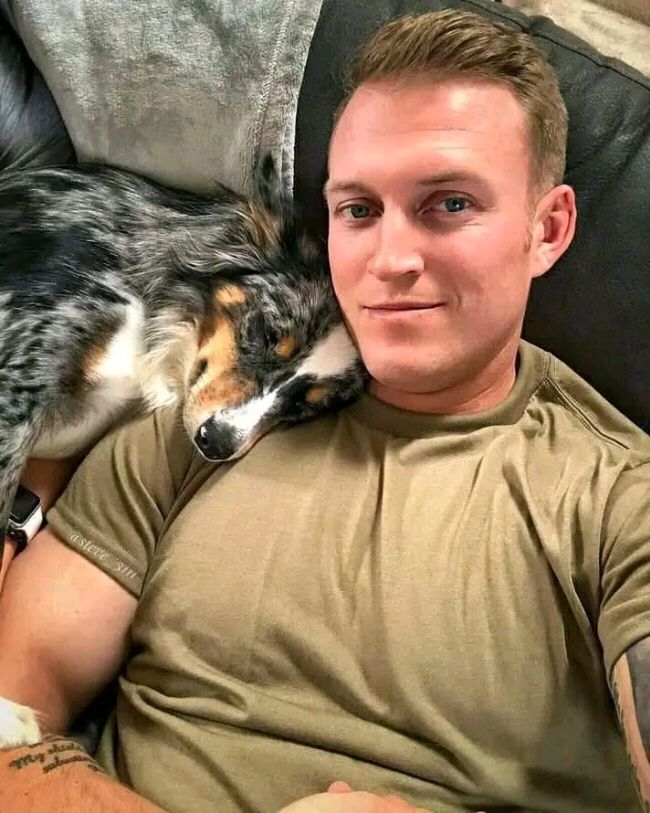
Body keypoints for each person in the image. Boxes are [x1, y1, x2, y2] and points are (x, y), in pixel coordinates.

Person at [1, 9, 649, 813]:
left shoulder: (618, 496)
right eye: (359, 210)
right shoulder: (191, 431)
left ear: (547, 229)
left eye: (449, 203)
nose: (391, 259)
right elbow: (12, 719)